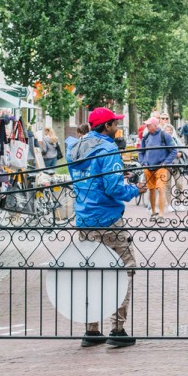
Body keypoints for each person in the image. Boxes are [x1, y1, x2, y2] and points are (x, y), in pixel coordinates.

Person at [69, 107, 147, 348]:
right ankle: (117, 328)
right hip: (107, 220)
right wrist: (135, 190)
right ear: (106, 126)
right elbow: (114, 188)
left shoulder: (76, 148)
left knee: (92, 273)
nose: (117, 128)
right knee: (125, 270)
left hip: (84, 218)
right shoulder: (108, 149)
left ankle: (91, 330)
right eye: (115, 124)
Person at [138, 116, 178, 220]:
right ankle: (153, 212)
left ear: (155, 125)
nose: (146, 126)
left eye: (148, 124)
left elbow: (174, 150)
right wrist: (142, 162)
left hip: (160, 166)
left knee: (161, 189)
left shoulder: (164, 135)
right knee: (151, 190)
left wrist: (165, 162)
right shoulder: (146, 136)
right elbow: (141, 151)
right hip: (148, 166)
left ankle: (161, 214)